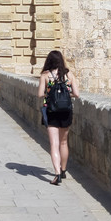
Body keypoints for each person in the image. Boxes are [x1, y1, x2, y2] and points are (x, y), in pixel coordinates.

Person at [37, 50, 80, 185]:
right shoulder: (69, 75)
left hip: (51, 111)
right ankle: (63, 170)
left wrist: (51, 94)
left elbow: (39, 94)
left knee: (54, 144)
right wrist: (65, 95)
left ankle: (56, 174)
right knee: (63, 142)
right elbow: (77, 94)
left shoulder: (45, 75)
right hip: (66, 111)